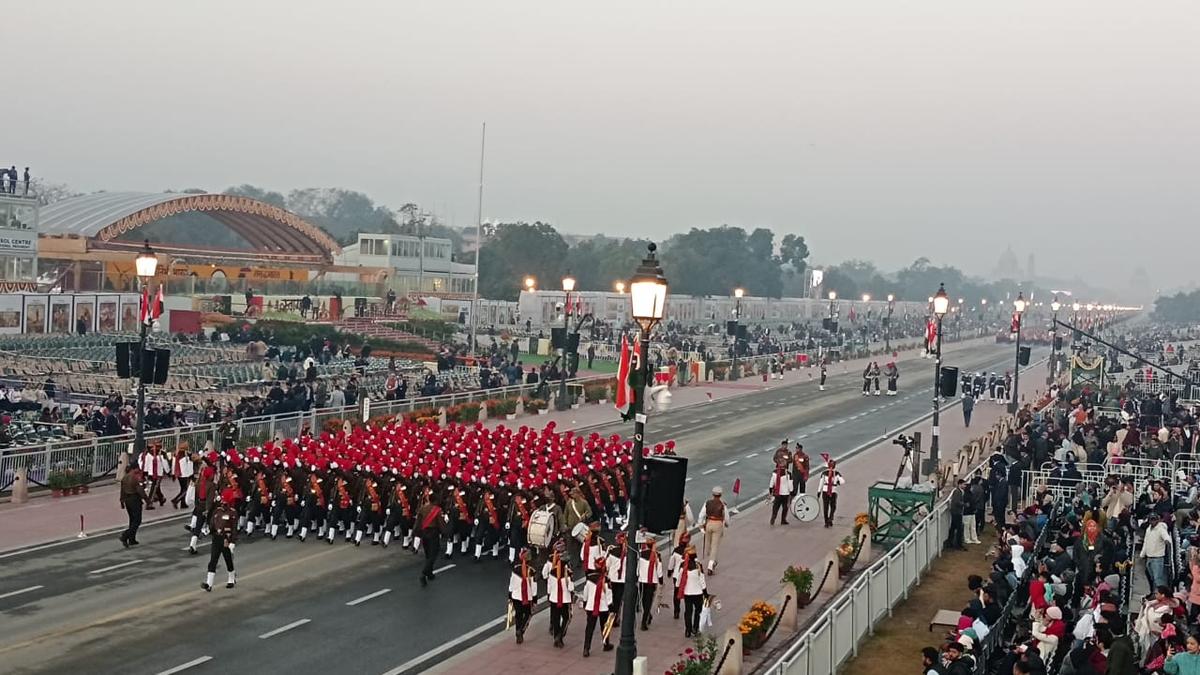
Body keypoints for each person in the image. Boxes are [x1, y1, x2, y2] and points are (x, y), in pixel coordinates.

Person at [202, 488, 239, 591]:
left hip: (226, 539)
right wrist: (209, 530)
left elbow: (234, 528)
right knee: (213, 561)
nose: (223, 502)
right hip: (216, 538)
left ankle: (231, 578)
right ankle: (209, 584)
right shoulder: (217, 510)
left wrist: (232, 541)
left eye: (224, 500)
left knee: (228, 560)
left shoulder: (233, 513)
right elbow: (212, 522)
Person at [581, 557, 614, 657]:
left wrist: (585, 603)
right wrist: (611, 609)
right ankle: (606, 644)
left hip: (591, 607)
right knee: (605, 626)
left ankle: (586, 648)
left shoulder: (589, 578)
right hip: (603, 607)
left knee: (589, 628)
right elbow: (609, 596)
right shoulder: (606, 580)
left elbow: (585, 593)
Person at [543, 546, 574, 648]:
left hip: (554, 598)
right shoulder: (568, 573)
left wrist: (549, 595)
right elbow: (570, 588)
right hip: (565, 600)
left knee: (555, 619)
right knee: (567, 618)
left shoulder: (552, 572)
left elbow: (550, 585)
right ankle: (560, 635)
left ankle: (556, 636)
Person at [675, 545, 707, 638]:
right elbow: (702, 580)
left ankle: (687, 630)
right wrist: (705, 592)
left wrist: (677, 588)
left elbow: (679, 578)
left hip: (687, 593)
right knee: (698, 611)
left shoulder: (683, 566)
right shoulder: (698, 565)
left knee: (688, 612)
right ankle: (695, 628)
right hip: (698, 593)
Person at [508, 548, 537, 644]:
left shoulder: (515, 569)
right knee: (528, 614)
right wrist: (535, 600)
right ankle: (521, 630)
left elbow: (511, 584)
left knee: (518, 615)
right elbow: (533, 588)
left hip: (516, 596)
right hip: (526, 597)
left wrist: (510, 596)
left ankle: (517, 631)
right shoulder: (531, 571)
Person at [699, 486, 729, 574]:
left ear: (713, 494)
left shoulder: (707, 503)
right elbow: (726, 517)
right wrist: (727, 524)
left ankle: (709, 558)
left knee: (708, 543)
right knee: (715, 545)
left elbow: (701, 515)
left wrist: (700, 525)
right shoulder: (722, 504)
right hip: (718, 524)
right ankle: (711, 564)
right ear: (720, 495)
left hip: (708, 523)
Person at [637, 534, 664, 631]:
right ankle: (644, 620)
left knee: (644, 600)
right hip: (652, 582)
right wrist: (661, 581)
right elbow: (659, 570)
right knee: (648, 601)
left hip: (641, 581)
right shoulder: (657, 555)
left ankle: (647, 615)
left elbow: (637, 568)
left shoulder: (640, 554)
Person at [119, 464, 148, 548]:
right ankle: (125, 535)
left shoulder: (125, 477)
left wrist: (122, 501)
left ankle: (132, 539)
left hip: (127, 500)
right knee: (137, 520)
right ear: (135, 469)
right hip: (135, 499)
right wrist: (147, 500)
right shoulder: (136, 477)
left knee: (132, 520)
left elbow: (122, 490)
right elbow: (140, 490)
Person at [1141, 512, 1172, 590]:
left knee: (1158, 579)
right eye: (1151, 519)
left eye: (1154, 519)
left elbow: (1167, 537)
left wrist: (1167, 541)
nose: (1153, 521)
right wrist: (1142, 554)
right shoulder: (1148, 529)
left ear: (1157, 520)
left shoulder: (1161, 529)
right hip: (1149, 557)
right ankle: (1153, 593)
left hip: (1157, 558)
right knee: (1151, 578)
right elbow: (1146, 542)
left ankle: (1161, 595)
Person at [819, 456, 845, 528]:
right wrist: (837, 482)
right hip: (833, 491)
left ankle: (826, 522)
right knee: (833, 506)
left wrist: (819, 491)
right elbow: (843, 481)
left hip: (825, 491)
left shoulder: (824, 473)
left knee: (825, 507)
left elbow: (821, 483)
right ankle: (830, 518)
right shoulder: (836, 473)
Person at [769, 460, 794, 526]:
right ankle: (783, 520)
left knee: (776, 506)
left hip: (777, 493)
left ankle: (773, 517)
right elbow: (790, 484)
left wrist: (770, 490)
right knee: (785, 507)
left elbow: (772, 482)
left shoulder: (774, 472)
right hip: (785, 493)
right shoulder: (788, 473)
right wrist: (791, 492)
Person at [946, 479, 966, 550]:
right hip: (957, 512)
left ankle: (950, 542)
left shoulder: (957, 491)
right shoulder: (958, 492)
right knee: (959, 528)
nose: (965, 486)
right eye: (964, 484)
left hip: (955, 512)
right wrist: (964, 504)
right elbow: (957, 502)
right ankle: (958, 544)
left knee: (953, 527)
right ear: (960, 484)